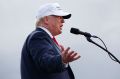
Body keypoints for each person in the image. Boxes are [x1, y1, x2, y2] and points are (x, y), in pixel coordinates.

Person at [21, 3, 80, 79]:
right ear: (46, 19)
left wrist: (61, 59)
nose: (63, 21)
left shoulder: (47, 39)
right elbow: (45, 62)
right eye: (59, 17)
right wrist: (62, 60)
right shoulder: (38, 36)